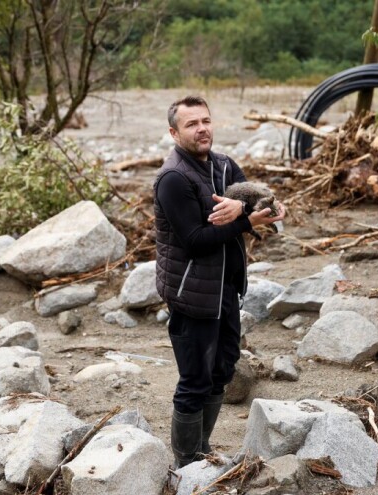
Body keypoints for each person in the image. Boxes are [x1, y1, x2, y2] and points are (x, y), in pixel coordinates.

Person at [154, 95, 286, 468]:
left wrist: (263, 208)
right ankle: (185, 462)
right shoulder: (173, 179)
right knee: (194, 380)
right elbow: (194, 241)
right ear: (174, 132)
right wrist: (245, 222)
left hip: (227, 289)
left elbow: (262, 201)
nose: (202, 129)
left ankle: (202, 448)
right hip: (191, 294)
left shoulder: (224, 166)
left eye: (206, 121)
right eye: (192, 124)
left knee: (223, 369)